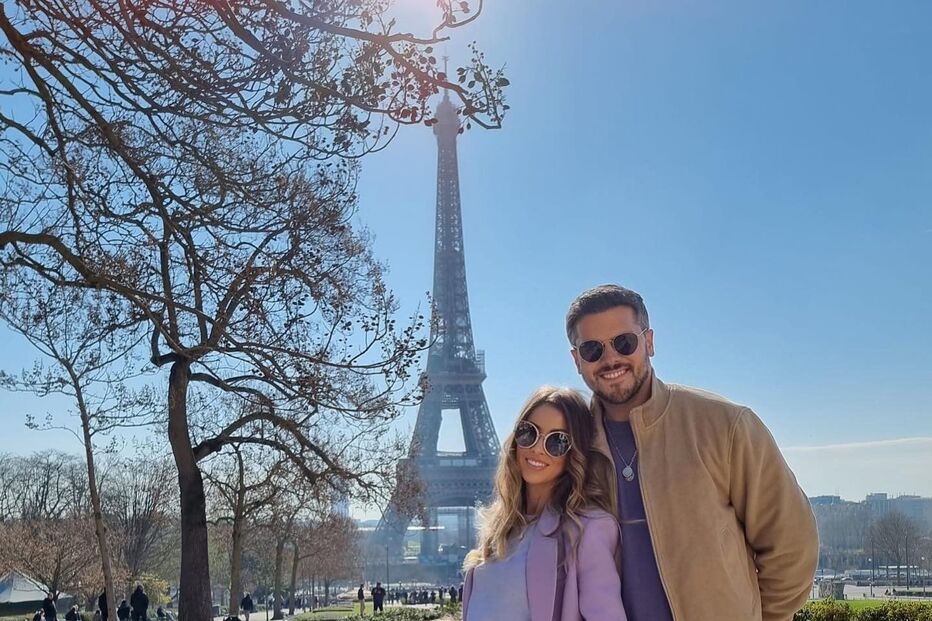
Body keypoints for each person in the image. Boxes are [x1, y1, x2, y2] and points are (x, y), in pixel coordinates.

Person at [565, 284, 819, 621]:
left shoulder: (725, 425)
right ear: (577, 359)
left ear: (649, 342)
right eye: (593, 350)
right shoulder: (570, 447)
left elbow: (792, 547)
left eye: (624, 343)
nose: (611, 359)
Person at [461, 386, 627, 621]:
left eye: (557, 441)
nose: (538, 448)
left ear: (574, 453)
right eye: (529, 433)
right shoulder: (500, 528)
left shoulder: (587, 530)